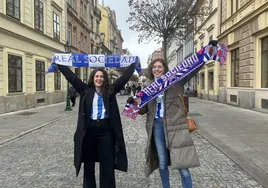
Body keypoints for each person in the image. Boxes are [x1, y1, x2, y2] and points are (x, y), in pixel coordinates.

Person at [57, 62, 137, 188]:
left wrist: (133, 66)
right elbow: (72, 77)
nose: (99, 79)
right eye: (96, 76)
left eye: (101, 77)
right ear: (93, 78)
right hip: (89, 132)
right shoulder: (85, 90)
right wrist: (59, 65)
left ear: (105, 79)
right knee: (88, 163)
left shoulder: (110, 90)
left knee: (107, 163)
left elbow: (122, 80)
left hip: (106, 132)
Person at [127, 58, 201, 188]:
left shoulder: (175, 82)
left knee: (182, 166)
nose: (157, 69)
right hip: (157, 127)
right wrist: (133, 103)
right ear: (151, 70)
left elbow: (191, 70)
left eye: (159, 67)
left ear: (164, 69)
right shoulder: (148, 86)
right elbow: (143, 110)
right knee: (162, 162)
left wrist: (207, 54)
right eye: (154, 67)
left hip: (175, 127)